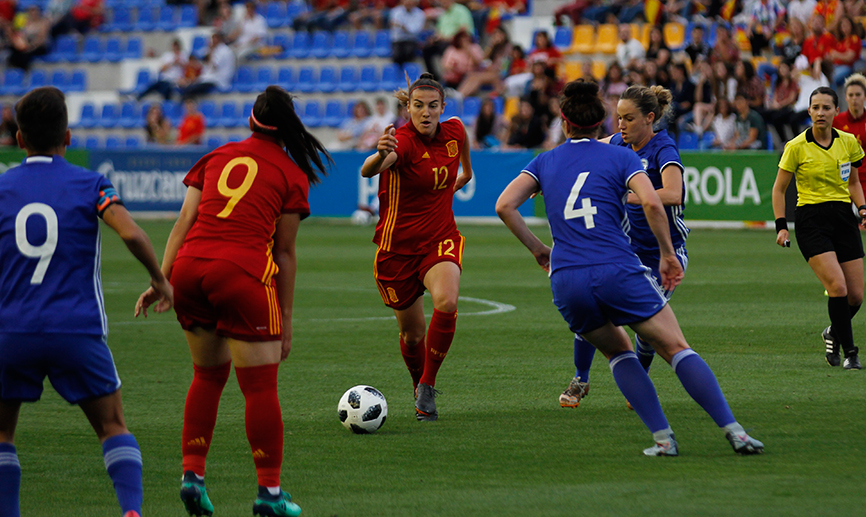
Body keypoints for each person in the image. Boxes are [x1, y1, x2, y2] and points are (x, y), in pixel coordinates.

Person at [496, 79, 764, 457]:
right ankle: (735, 432)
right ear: (602, 121)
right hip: (616, 269)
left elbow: (504, 206)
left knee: (618, 353)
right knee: (675, 347)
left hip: (567, 279)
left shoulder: (544, 160)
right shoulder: (622, 157)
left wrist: (540, 251)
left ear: (564, 121)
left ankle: (662, 439)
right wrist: (668, 254)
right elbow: (654, 203)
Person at [134, 85, 331, 517]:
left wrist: (161, 279)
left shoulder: (216, 156)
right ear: (288, 126)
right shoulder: (291, 173)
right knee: (259, 387)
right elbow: (283, 253)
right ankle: (269, 494)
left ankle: (192, 477)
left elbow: (184, 221)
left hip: (189, 269)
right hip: (241, 272)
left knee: (206, 376)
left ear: (251, 120)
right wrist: (286, 320)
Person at [0, 86, 173, 517]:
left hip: (11, 330)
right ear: (68, 137)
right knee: (112, 426)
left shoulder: (2, 187)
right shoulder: (91, 183)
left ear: (19, 139)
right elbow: (131, 232)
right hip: (75, 329)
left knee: (3, 435)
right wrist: (159, 279)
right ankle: (131, 511)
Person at [557, 84, 690, 409]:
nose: (621, 125)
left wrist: (630, 195)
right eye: (618, 118)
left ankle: (640, 377)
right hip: (625, 252)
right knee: (590, 309)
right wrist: (551, 175)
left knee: (648, 331)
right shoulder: (619, 142)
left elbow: (674, 193)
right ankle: (580, 379)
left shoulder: (663, 149)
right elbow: (584, 148)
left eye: (628, 119)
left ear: (650, 118)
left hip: (664, 254)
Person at [360, 72, 473, 422]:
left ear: (443, 107)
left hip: (440, 238)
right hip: (397, 251)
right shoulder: (403, 143)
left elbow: (464, 156)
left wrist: (461, 178)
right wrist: (379, 155)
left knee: (447, 302)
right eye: (418, 106)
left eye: (433, 106)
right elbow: (368, 171)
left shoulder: (455, 131)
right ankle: (417, 385)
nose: (426, 112)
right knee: (412, 337)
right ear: (407, 107)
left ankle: (427, 385)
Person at [773, 86, 865, 370]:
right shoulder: (796, 146)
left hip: (843, 219)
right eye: (816, 108)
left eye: (826, 108)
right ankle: (850, 353)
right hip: (811, 221)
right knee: (837, 287)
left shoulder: (848, 142)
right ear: (809, 111)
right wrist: (781, 226)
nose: (821, 113)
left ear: (836, 111)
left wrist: (862, 208)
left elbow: (853, 182)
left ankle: (832, 332)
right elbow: (779, 190)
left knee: (856, 295)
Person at [833, 73, 866, 200]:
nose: (854, 99)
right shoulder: (837, 121)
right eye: (850, 95)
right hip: (844, 180)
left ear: (864, 97)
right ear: (845, 97)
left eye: (858, 95)